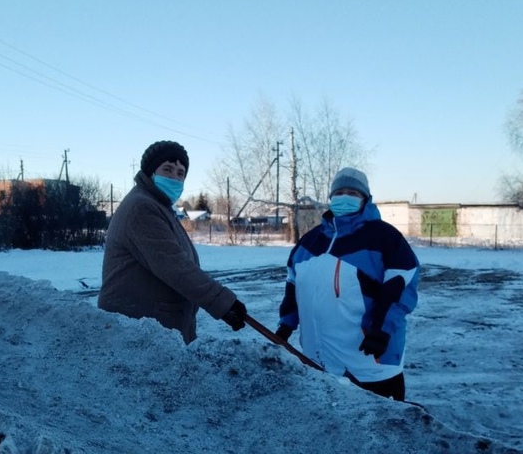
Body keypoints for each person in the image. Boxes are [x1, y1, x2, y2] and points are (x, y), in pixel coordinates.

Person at [276, 167, 419, 400]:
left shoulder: (384, 238)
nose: (345, 197)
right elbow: (293, 287)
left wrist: (382, 331)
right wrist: (286, 326)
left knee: (380, 429)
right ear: (331, 198)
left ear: (365, 198)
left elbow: (400, 290)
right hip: (318, 361)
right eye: (339, 192)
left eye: (353, 192)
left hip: (371, 362)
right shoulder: (309, 242)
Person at [98, 140, 247, 343]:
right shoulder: (142, 208)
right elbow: (175, 266)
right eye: (167, 169)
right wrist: (221, 302)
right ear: (151, 172)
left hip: (153, 328)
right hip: (137, 332)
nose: (175, 178)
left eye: (180, 173)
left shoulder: (158, 205)